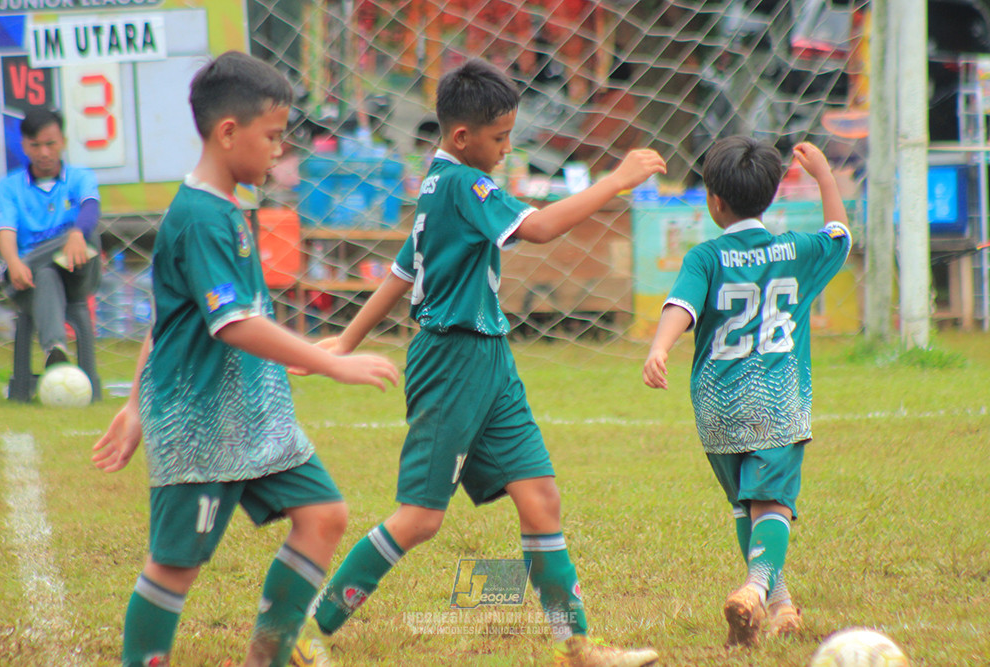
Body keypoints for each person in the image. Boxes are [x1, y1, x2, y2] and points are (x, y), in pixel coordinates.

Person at [291, 58, 667, 667]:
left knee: (540, 495)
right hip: (450, 359)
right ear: (462, 137)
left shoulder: (439, 182)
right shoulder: (463, 184)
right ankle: (308, 632)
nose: (506, 148)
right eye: (499, 138)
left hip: (490, 358)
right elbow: (540, 228)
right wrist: (615, 181)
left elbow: (404, 270)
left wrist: (346, 339)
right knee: (419, 517)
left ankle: (578, 647)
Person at [90, 51, 399, 667]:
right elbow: (231, 324)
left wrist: (131, 404)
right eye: (273, 136)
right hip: (201, 423)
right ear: (228, 132)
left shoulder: (229, 207)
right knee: (175, 566)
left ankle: (269, 657)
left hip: (253, 420)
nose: (281, 151)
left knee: (324, 514)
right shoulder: (201, 216)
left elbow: (175, 317)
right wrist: (329, 359)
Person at [642, 137, 852, 648]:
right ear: (773, 196)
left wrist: (659, 348)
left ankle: (778, 605)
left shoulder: (705, 256)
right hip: (777, 399)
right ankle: (757, 588)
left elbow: (682, 308)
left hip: (716, 402)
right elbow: (840, 235)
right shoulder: (798, 250)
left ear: (714, 201)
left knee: (745, 505)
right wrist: (825, 177)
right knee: (774, 504)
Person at [0, 107, 102, 370]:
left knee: (89, 237)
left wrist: (76, 234)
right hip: (29, 282)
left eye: (51, 144)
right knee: (45, 275)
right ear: (25, 146)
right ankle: (55, 351)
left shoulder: (80, 177)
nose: (44, 152)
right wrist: (15, 263)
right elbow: (6, 231)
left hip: (77, 275)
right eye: (36, 145)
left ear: (62, 141)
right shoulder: (10, 186)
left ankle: (5, 275)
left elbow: (91, 208)